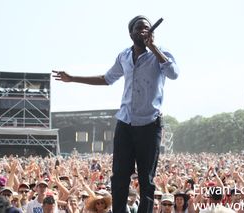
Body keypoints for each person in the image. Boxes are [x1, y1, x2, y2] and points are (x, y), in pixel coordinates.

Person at [52, 15, 179, 213]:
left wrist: (154, 48)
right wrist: (72, 78)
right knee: (119, 175)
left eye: (147, 28)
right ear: (131, 34)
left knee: (146, 178)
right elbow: (107, 78)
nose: (143, 30)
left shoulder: (160, 53)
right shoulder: (124, 57)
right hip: (125, 123)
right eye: (139, 28)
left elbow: (173, 73)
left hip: (149, 124)